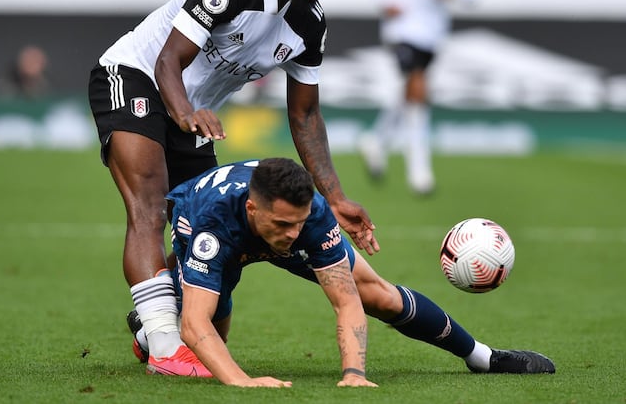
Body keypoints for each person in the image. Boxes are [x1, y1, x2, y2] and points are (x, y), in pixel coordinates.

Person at [87, 0, 378, 377]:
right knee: (150, 207)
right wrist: (184, 113)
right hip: (135, 75)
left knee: (199, 229)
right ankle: (163, 349)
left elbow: (305, 115)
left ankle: (152, 326)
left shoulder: (310, 24)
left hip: (192, 113)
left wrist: (337, 196)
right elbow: (167, 62)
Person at [127, 158, 555, 386]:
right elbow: (195, 323)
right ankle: (150, 329)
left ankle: (482, 357)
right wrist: (243, 381)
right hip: (217, 230)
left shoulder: (305, 216)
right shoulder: (212, 224)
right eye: (283, 225)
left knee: (377, 294)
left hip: (269, 221)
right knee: (210, 328)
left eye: (300, 223)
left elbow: (347, 301)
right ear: (255, 210)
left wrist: (354, 375)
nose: (295, 235)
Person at [359, 0, 478, 195]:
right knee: (417, 89)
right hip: (402, 29)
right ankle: (419, 171)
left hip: (432, 32)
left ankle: (376, 141)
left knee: (408, 93)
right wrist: (386, 2)